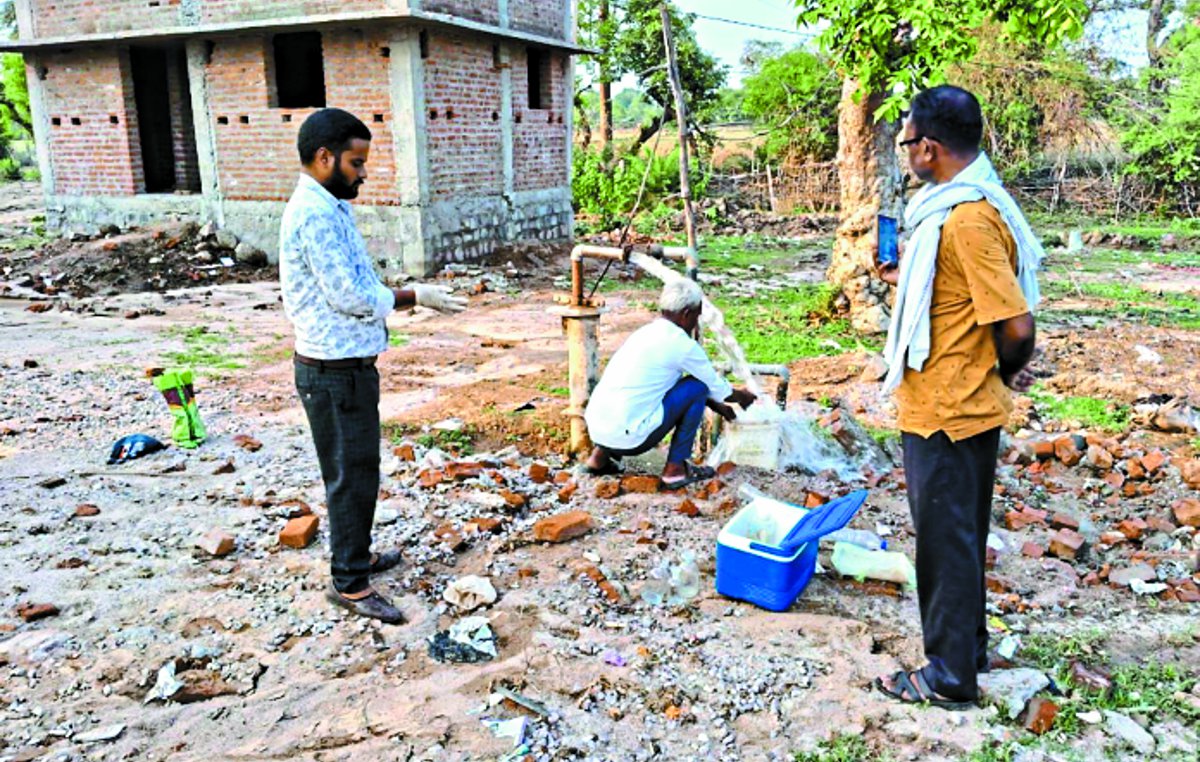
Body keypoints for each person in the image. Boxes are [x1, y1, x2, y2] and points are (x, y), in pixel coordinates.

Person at [875, 85, 1039, 708]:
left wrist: (1004, 367)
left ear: (932, 148)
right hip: (961, 404)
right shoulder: (952, 209)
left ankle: (947, 678)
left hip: (949, 408)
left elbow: (1016, 325)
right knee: (960, 536)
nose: (905, 153)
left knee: (944, 544)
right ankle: (968, 651)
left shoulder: (967, 218)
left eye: (907, 142)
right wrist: (902, 277)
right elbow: (953, 301)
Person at [280, 108, 468, 624]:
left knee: (360, 470)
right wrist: (414, 296)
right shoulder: (314, 213)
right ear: (324, 158)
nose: (362, 173)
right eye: (356, 162)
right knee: (349, 475)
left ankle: (355, 559)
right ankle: (351, 585)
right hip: (332, 369)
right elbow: (348, 294)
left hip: (347, 365)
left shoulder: (328, 206)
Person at [583, 278, 756, 488]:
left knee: (632, 394)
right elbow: (714, 387)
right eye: (696, 315)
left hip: (598, 430)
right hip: (630, 439)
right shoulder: (682, 345)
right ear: (686, 314)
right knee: (698, 385)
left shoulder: (644, 334)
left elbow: (665, 390)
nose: (697, 321)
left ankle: (598, 458)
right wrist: (743, 396)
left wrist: (718, 407)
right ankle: (675, 470)